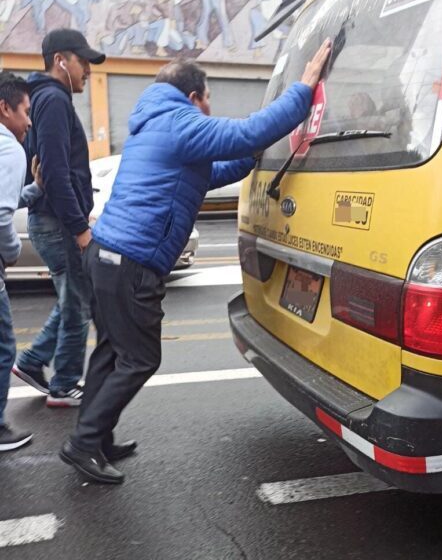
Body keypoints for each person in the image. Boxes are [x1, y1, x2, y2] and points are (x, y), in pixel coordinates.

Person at [60, 39, 331, 484]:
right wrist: (302, 90)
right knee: (140, 358)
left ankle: (97, 436)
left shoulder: (155, 123)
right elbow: (245, 133)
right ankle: (84, 443)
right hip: (131, 262)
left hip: (105, 256)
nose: (209, 109)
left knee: (112, 351)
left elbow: (210, 172)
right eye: (209, 100)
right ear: (194, 97)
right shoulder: (181, 121)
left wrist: (253, 159)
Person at [12, 29, 106, 408]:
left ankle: (33, 361)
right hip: (57, 222)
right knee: (78, 305)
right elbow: (54, 170)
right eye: (83, 62)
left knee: (73, 298)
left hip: (53, 219)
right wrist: (80, 228)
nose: (87, 70)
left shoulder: (48, 98)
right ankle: (64, 384)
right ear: (60, 61)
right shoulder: (52, 100)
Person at [0, 72, 43, 450]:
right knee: (3, 346)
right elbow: (0, 213)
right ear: (5, 108)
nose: (29, 121)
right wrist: (11, 253)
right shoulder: (11, 148)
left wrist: (34, 188)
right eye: (25, 112)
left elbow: (9, 200)